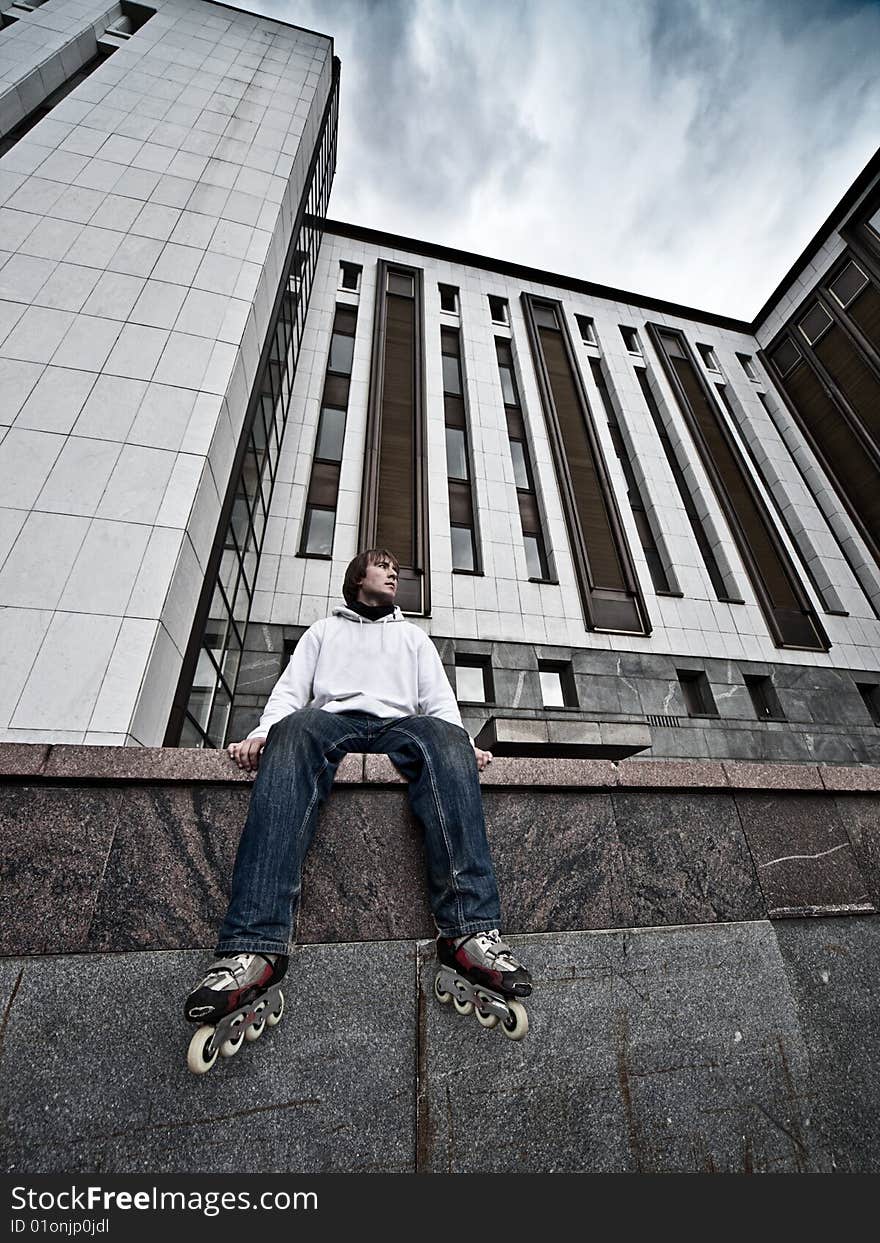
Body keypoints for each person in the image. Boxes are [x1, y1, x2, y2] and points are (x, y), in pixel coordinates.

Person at [184, 547, 532, 1029]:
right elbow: (290, 691)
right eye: (383, 566)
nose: (394, 573)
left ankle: (468, 935)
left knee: (445, 737)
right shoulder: (323, 631)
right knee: (297, 726)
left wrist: (461, 745)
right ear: (357, 577)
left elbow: (438, 702)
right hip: (334, 722)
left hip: (401, 725)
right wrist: (264, 732)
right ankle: (253, 949)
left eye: (396, 568)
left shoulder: (412, 637)